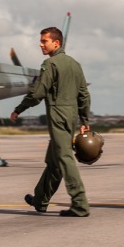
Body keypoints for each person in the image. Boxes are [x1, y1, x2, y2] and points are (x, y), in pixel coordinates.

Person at [10, 27, 91, 217]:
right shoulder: (75, 64)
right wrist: (84, 119)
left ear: (56, 43)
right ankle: (40, 200)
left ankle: (80, 203)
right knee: (54, 161)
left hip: (57, 114)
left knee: (64, 158)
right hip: (70, 117)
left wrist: (19, 109)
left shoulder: (50, 64)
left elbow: (37, 93)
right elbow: (84, 95)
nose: (41, 44)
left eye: (44, 41)